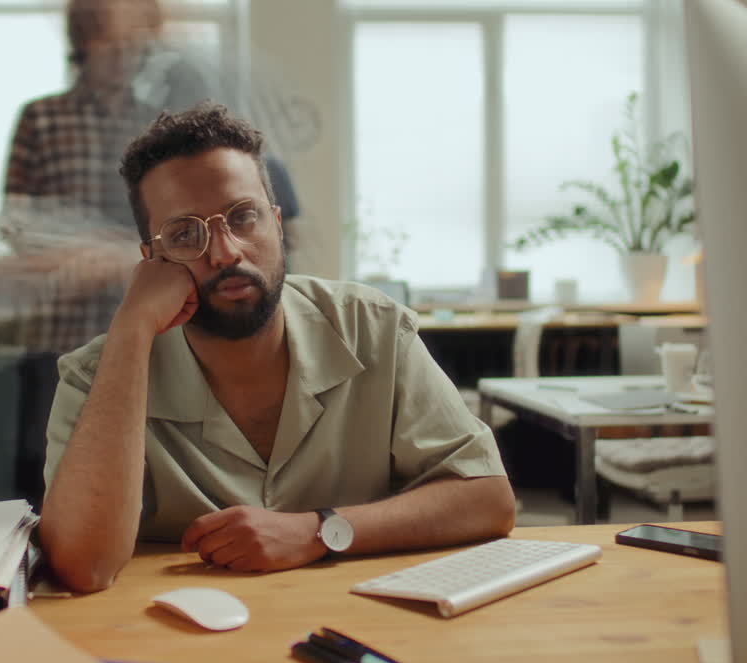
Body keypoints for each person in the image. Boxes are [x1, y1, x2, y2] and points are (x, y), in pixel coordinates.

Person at [39, 102, 516, 593]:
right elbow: (82, 563)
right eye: (186, 234)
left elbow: (488, 500)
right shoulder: (96, 374)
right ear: (151, 261)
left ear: (277, 223)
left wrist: (319, 531)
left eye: (243, 217)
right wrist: (133, 327)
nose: (226, 252)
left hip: (364, 621)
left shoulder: (373, 329)